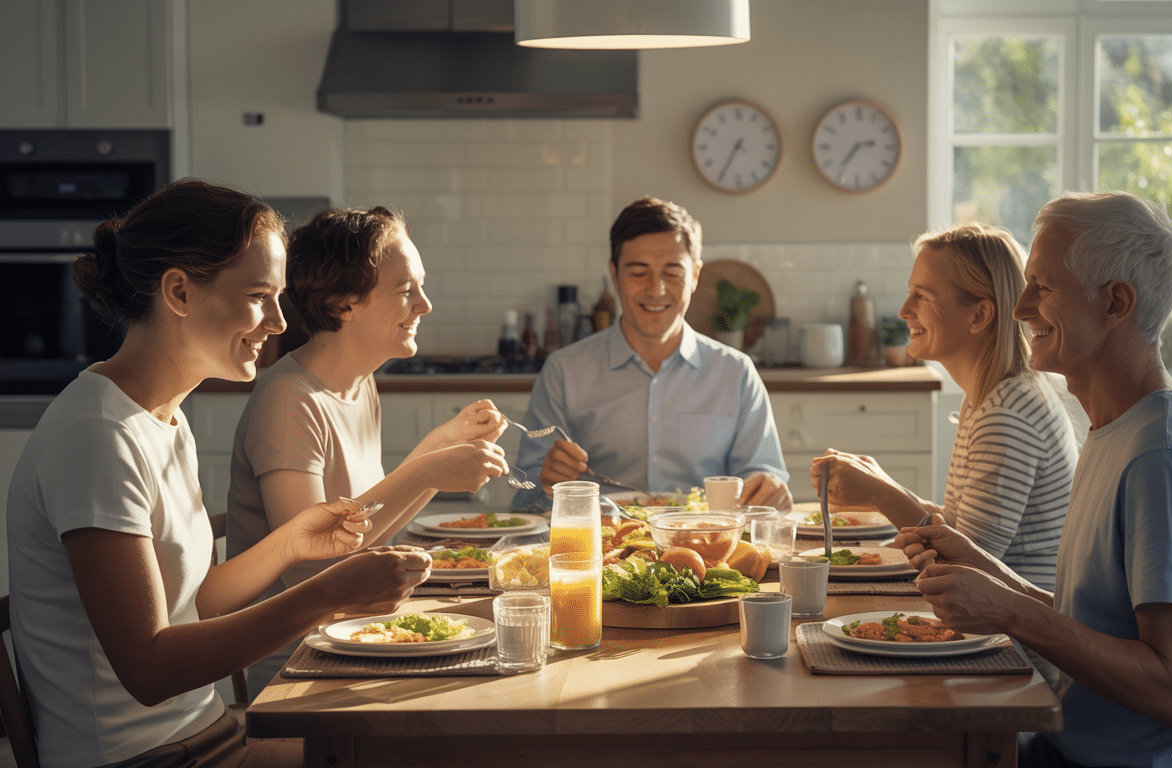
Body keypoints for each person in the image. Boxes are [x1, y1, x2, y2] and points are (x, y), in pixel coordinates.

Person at [6, 179, 434, 768]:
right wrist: (325, 596)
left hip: (204, 733)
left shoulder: (163, 419)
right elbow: (150, 669)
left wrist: (291, 541)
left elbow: (196, 602)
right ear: (178, 291)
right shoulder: (96, 436)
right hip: (143, 757)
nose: (281, 323)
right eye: (261, 295)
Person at [900, 191, 1172, 767]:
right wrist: (983, 567)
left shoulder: (1162, 457)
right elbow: (1099, 622)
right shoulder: (1121, 424)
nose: (1018, 310)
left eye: (1041, 287)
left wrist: (1014, 612)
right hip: (1075, 742)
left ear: (1116, 302)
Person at [226, 206, 509, 698]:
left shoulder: (358, 386)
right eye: (405, 291)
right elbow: (313, 567)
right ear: (343, 303)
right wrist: (429, 471)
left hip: (357, 640)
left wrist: (444, 446)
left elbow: (365, 524)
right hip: (295, 668)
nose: (424, 305)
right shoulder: (290, 399)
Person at [810, 224, 1078, 590]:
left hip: (1015, 640)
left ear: (979, 316)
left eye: (923, 296)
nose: (905, 310)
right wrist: (883, 484)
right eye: (910, 293)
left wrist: (880, 493)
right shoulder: (990, 396)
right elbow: (957, 527)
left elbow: (968, 566)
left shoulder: (1006, 415)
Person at [509, 197, 789, 511]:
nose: (656, 290)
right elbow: (526, 497)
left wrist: (769, 489)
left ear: (695, 276)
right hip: (599, 549)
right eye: (639, 273)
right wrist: (545, 483)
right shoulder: (563, 371)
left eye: (673, 273)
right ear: (614, 276)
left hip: (706, 548)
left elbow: (762, 479)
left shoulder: (736, 372)